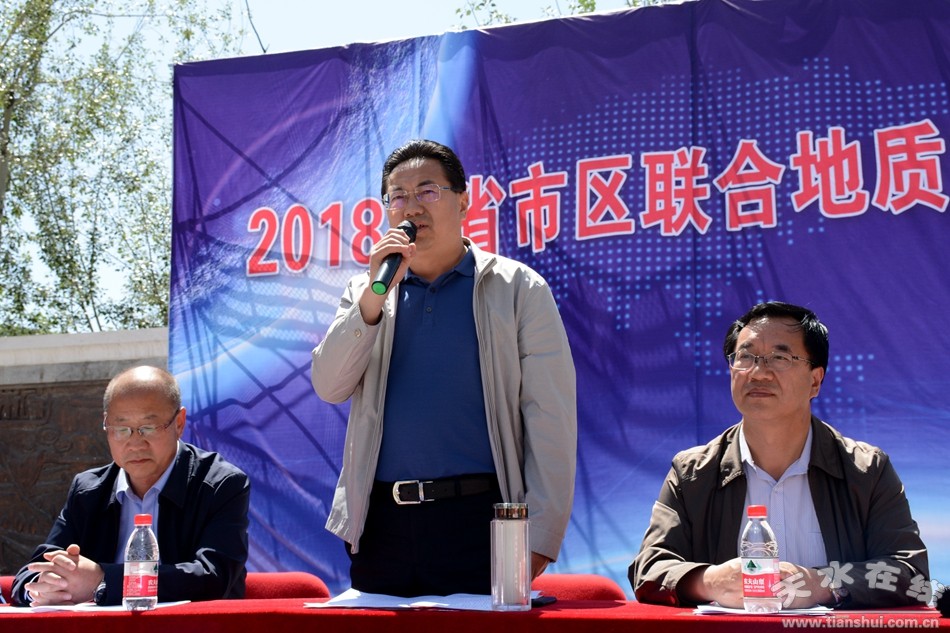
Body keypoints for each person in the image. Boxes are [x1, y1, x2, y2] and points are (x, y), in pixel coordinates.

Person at [312, 139, 576, 597]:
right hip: (383, 524)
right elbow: (329, 386)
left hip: (482, 520)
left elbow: (549, 415)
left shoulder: (517, 288)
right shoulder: (366, 290)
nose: (412, 207)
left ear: (463, 201)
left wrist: (540, 535)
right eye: (398, 196)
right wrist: (372, 298)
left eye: (428, 191)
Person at [630, 301, 928, 609]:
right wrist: (710, 581)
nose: (758, 373)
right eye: (745, 357)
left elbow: (909, 572)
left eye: (779, 358)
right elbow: (649, 568)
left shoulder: (866, 470)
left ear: (815, 380)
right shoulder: (693, 473)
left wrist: (823, 584)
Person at [12, 365, 250, 606]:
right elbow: (31, 573)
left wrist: (102, 581)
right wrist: (44, 589)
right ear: (106, 425)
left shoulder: (220, 484)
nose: (135, 443)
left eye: (148, 428)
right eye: (122, 429)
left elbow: (213, 577)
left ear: (179, 423)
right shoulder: (88, 490)